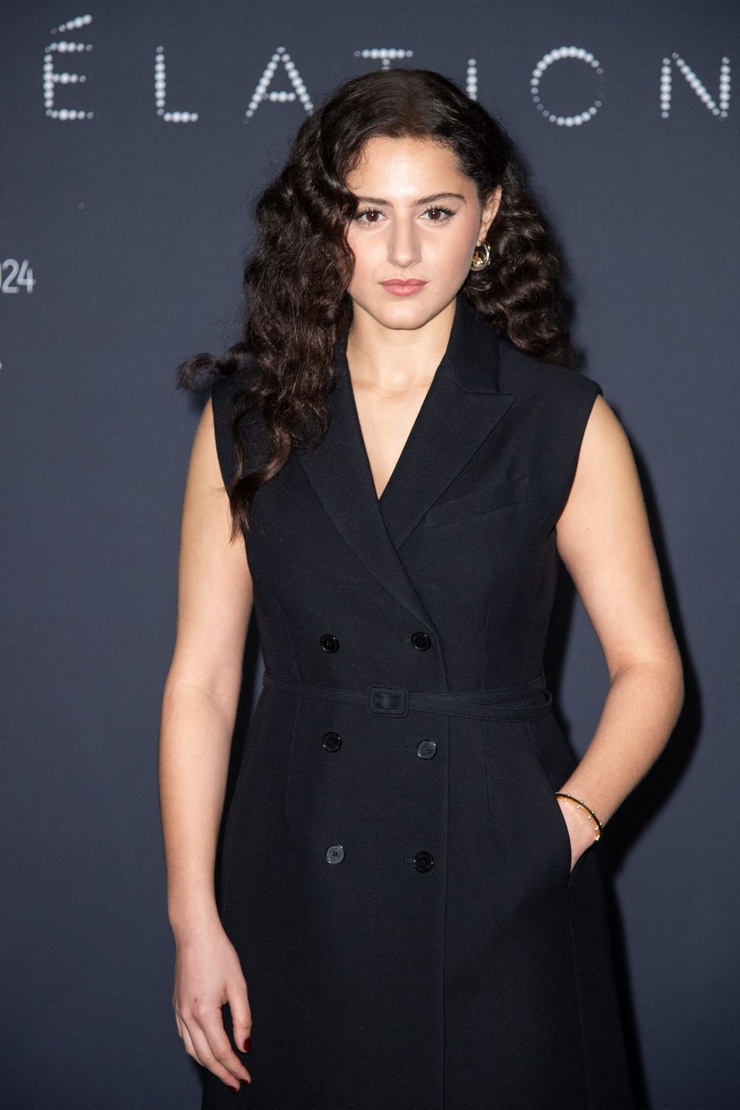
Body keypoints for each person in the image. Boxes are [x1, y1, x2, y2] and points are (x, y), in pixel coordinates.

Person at [158, 68, 684, 1109]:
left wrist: (564, 826)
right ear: (325, 224)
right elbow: (203, 683)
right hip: (293, 871)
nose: (401, 251)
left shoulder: (558, 418)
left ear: (485, 217)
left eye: (435, 212)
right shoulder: (249, 418)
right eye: (368, 213)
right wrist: (193, 917)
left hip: (499, 865)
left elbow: (649, 667)